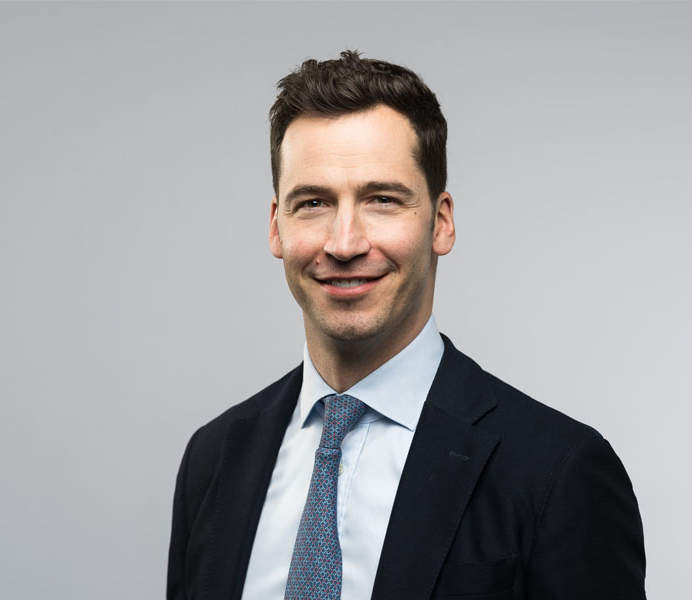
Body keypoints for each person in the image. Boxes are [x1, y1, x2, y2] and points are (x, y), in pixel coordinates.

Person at [167, 50, 646, 600]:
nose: (344, 243)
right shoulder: (213, 460)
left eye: (382, 200)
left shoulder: (558, 472)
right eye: (314, 202)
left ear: (440, 223)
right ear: (277, 226)